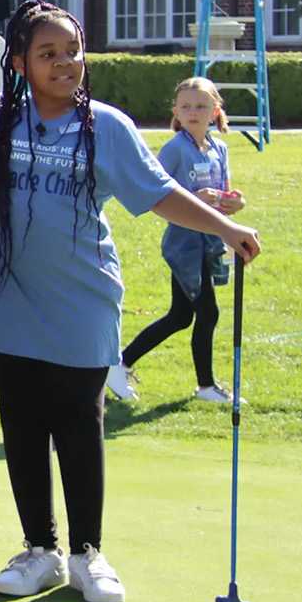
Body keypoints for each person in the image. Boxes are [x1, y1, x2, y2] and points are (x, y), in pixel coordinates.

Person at [0, 1, 259, 602]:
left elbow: (160, 194)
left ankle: (87, 553)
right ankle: (39, 550)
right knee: (22, 428)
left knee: (79, 424)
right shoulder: (0, 120)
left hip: (83, 299)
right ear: (21, 62)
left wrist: (224, 229)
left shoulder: (106, 125)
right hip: (7, 299)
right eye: (48, 54)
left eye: (73, 52)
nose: (65, 64)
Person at [111, 77, 247, 404]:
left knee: (181, 316)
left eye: (201, 106)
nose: (193, 112)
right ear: (176, 111)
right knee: (207, 313)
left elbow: (225, 190)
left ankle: (119, 363)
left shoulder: (219, 148)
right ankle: (206, 387)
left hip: (211, 242)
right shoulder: (175, 148)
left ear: (215, 111)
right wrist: (194, 197)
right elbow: (155, 189)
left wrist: (234, 202)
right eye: (185, 106)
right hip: (184, 246)